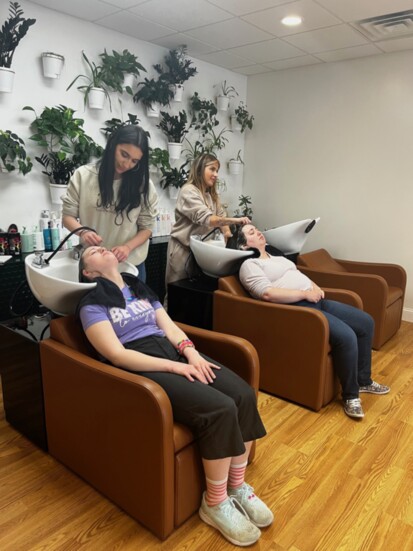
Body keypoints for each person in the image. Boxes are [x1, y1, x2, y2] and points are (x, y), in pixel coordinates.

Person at [77, 245, 273, 546]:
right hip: (144, 365)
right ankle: (216, 503)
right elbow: (117, 355)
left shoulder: (139, 288)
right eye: (91, 251)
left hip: (173, 352)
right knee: (219, 408)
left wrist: (190, 354)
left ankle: (237, 486)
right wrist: (174, 368)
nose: (100, 246)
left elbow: (169, 327)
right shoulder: (91, 305)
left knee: (243, 394)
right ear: (88, 272)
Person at [228, 224, 390, 420]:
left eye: (256, 229)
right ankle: (350, 396)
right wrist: (305, 294)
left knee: (365, 322)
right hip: (300, 310)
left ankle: (363, 380)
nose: (258, 232)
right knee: (347, 336)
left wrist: (315, 288)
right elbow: (267, 294)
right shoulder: (250, 266)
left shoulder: (277, 257)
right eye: (251, 232)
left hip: (317, 300)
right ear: (243, 246)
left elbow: (298, 275)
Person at [62, 125, 158, 282]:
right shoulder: (83, 176)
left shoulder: (143, 185)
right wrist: (83, 232)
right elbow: (67, 217)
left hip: (130, 266)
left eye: (134, 161)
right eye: (124, 155)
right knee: (94, 307)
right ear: (113, 145)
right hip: (94, 268)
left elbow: (146, 229)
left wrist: (127, 247)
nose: (126, 164)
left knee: (134, 306)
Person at [165, 153, 250, 291]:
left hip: (200, 252)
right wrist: (237, 220)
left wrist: (227, 235)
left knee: (195, 296)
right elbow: (209, 219)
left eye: (217, 171)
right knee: (177, 295)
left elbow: (221, 215)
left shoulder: (211, 195)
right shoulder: (188, 191)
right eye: (212, 169)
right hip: (183, 251)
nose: (216, 174)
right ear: (199, 169)